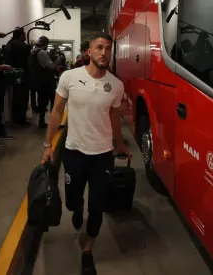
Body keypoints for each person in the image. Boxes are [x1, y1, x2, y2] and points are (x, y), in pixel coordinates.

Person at [41, 33, 131, 275]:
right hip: (74, 152)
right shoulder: (69, 77)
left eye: (108, 49)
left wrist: (120, 144)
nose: (104, 53)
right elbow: (57, 112)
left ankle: (88, 250)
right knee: (72, 201)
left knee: (98, 205)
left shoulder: (116, 85)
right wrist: (48, 145)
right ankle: (77, 207)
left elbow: (114, 117)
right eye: (99, 48)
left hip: (102, 154)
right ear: (89, 52)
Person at [27, 36, 62, 128]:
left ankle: (41, 121)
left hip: (38, 80)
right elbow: (52, 67)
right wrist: (59, 60)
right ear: (46, 44)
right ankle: (54, 122)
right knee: (53, 100)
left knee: (42, 101)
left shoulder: (32, 52)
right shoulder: (41, 52)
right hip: (45, 81)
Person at [4, 27, 31, 126]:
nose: (24, 36)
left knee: (17, 97)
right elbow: (27, 54)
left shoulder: (10, 43)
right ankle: (20, 119)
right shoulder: (19, 45)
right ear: (20, 35)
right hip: (21, 75)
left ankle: (18, 118)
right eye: (23, 34)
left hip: (14, 74)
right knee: (22, 98)